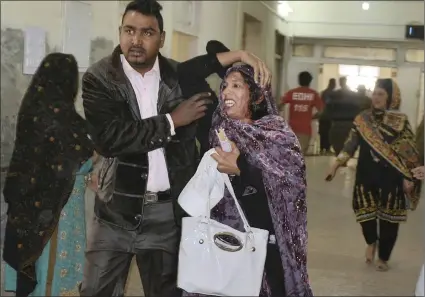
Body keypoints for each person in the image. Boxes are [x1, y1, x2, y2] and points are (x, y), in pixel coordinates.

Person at [79, 1, 271, 296]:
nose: (136, 40)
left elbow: (198, 68)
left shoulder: (177, 79)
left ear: (161, 38)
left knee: (166, 292)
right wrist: (172, 121)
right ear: (120, 32)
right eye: (129, 31)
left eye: (147, 32)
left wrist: (241, 55)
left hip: (166, 215)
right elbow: (110, 138)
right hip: (114, 212)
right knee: (95, 291)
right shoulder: (100, 78)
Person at [200, 64, 312, 296]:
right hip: (226, 241)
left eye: (236, 85)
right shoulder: (218, 131)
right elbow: (188, 74)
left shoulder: (278, 135)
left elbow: (292, 189)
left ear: (258, 95)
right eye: (224, 86)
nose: (226, 92)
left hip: (267, 240)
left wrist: (242, 168)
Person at [2, 53, 94, 297]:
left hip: (27, 208)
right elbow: (82, 159)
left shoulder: (31, 109)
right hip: (56, 212)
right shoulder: (67, 121)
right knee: (49, 271)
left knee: (31, 265)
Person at [325, 78, 421, 271]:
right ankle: (371, 241)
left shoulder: (400, 121)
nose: (376, 98)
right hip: (366, 175)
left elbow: (410, 153)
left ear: (391, 98)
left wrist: (408, 177)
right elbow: (351, 143)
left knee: (389, 220)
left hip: (392, 177)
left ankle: (383, 258)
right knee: (364, 213)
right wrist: (337, 163)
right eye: (374, 94)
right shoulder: (362, 119)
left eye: (381, 94)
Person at [281, 71, 323, 154]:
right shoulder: (313, 94)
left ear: (299, 80)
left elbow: (279, 105)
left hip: (291, 129)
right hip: (305, 129)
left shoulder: (291, 92)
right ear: (310, 81)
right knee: (300, 155)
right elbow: (322, 111)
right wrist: (312, 117)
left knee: (291, 154)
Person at [327, 77, 362, 156]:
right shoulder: (353, 95)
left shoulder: (334, 95)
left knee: (337, 143)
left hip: (337, 123)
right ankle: (343, 159)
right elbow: (357, 108)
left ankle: (339, 158)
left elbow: (328, 108)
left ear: (340, 83)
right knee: (348, 144)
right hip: (349, 122)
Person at [318, 78, 336, 155]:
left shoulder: (324, 92)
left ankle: (322, 149)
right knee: (328, 133)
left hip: (323, 116)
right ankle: (327, 149)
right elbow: (329, 103)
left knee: (323, 133)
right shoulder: (331, 93)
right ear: (333, 84)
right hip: (328, 116)